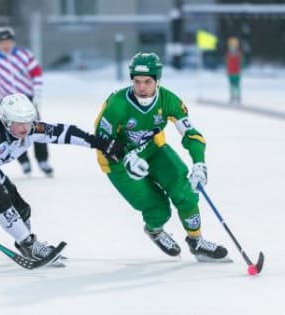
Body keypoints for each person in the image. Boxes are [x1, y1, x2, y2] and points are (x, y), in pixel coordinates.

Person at [0, 93, 123, 261]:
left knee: (21, 207)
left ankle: (24, 243)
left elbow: (63, 132)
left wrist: (98, 142)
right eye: (19, 122)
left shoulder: (31, 129)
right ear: (7, 121)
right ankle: (29, 244)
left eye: (29, 120)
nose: (26, 127)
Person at [94, 52, 228, 261]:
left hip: (154, 149)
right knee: (158, 208)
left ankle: (196, 241)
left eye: (147, 81)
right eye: (137, 81)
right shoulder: (117, 105)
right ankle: (154, 230)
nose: (141, 87)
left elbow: (191, 134)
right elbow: (101, 141)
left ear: (157, 80)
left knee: (184, 191)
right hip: (117, 163)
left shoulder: (169, 101)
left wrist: (199, 163)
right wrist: (126, 157)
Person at [0, 26, 53, 176]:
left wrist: (38, 95)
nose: (5, 45)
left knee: (37, 128)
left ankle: (43, 160)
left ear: (12, 41)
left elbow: (37, 75)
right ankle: (24, 161)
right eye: (2, 42)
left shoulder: (25, 55)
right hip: (7, 102)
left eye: (7, 41)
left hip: (27, 99)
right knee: (14, 132)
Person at [225, 36, 242, 104]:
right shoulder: (228, 54)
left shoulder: (238, 54)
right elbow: (227, 63)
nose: (233, 47)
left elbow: (241, 62)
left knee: (236, 85)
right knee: (232, 85)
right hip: (231, 72)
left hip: (236, 72)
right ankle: (233, 96)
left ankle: (237, 97)